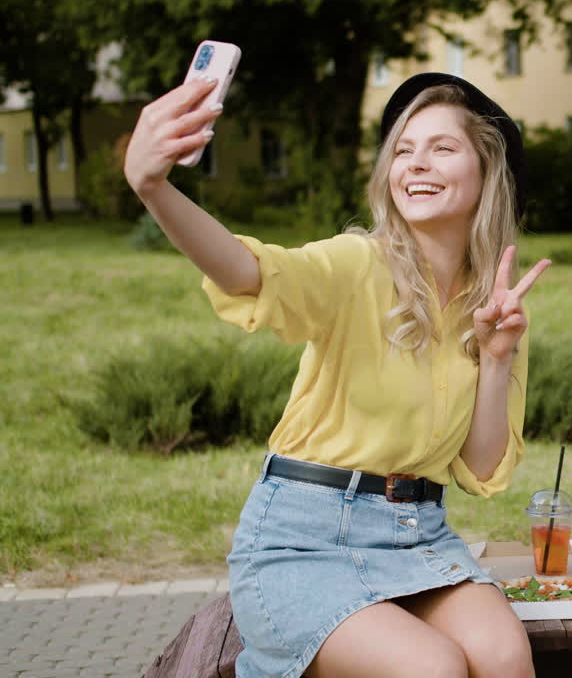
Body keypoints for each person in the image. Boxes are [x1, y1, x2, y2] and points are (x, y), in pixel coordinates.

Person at [124, 71, 549, 678]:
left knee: (503, 656)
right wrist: (153, 187)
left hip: (419, 536)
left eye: (442, 148)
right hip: (304, 539)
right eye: (403, 149)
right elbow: (249, 273)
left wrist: (498, 355)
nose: (416, 163)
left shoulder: (496, 307)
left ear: (487, 171)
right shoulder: (356, 263)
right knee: (433, 668)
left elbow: (481, 467)